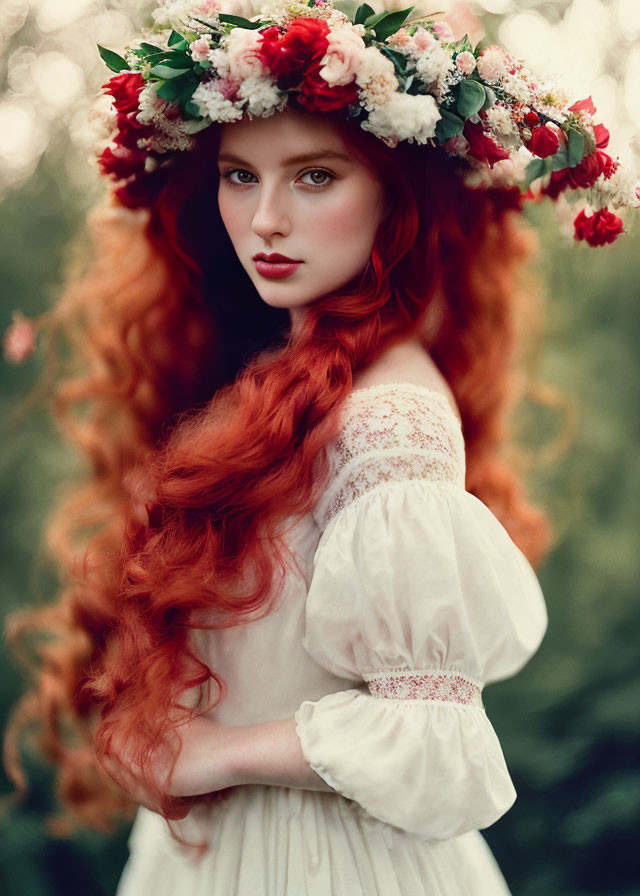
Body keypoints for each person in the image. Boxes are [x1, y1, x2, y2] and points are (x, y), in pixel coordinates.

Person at [3, 0, 637, 893]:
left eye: (313, 176)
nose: (263, 220)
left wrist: (211, 755)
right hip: (226, 856)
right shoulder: (290, 376)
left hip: (322, 861)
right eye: (237, 176)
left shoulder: (389, 420)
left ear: (395, 193)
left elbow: (439, 740)